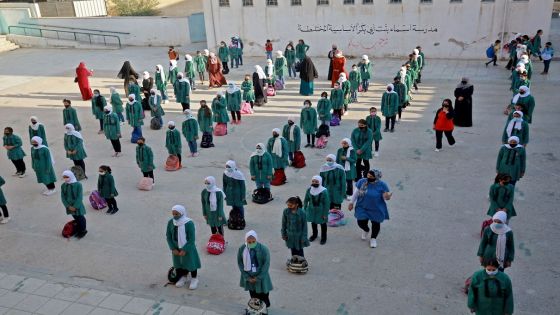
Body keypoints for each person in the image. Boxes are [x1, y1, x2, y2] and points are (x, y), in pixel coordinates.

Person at [348, 169, 391, 248]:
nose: (368, 177)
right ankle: (366, 229)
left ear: (376, 177)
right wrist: (351, 203)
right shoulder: (362, 182)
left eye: (371, 176)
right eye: (368, 175)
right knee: (360, 221)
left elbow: (385, 196)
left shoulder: (382, 185)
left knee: (376, 224)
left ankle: (373, 238)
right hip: (362, 206)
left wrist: (387, 197)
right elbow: (356, 193)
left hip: (376, 208)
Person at [166, 205, 201, 290]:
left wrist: (185, 249)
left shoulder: (188, 223)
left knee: (191, 263)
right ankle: (183, 277)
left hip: (188, 247)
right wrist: (173, 248)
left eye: (177, 214)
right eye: (173, 214)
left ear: (182, 213)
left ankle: (194, 278)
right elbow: (168, 236)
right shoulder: (171, 222)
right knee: (179, 263)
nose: (175, 216)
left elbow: (191, 239)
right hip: (176, 248)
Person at [237, 230, 273, 309]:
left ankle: (264, 310)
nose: (251, 244)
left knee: (264, 297)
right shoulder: (242, 249)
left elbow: (266, 265)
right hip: (249, 278)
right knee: (254, 297)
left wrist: (258, 278)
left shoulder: (263, 249)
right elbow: (240, 263)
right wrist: (247, 277)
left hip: (261, 278)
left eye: (253, 241)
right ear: (246, 241)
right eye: (249, 242)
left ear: (256, 239)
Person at [304, 176, 330, 244]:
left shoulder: (324, 191)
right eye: (313, 181)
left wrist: (325, 214)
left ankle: (324, 238)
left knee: (323, 224)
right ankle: (314, 235)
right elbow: (306, 199)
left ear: (320, 182)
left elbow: (327, 203)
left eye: (316, 181)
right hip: (312, 210)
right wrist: (305, 208)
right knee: (313, 223)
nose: (314, 183)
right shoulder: (309, 190)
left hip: (321, 211)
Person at [61, 170, 87, 238]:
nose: (65, 178)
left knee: (81, 218)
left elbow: (80, 197)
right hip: (69, 206)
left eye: (67, 177)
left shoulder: (78, 185)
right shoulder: (63, 185)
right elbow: (63, 197)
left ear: (71, 176)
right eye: (64, 177)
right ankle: (79, 229)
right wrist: (68, 206)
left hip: (77, 206)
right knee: (75, 217)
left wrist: (75, 206)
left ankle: (83, 230)